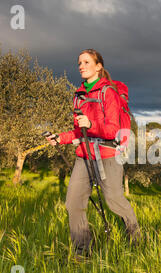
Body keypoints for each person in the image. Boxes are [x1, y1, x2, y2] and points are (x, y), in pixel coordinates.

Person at [46, 49, 141, 256]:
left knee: (115, 201)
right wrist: (60, 138)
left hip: (107, 155)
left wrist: (91, 124)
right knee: (73, 202)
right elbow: (78, 130)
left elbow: (112, 130)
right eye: (79, 62)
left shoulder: (108, 92)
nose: (81, 66)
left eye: (86, 62)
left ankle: (137, 242)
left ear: (98, 66)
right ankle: (82, 252)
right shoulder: (79, 95)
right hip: (84, 156)